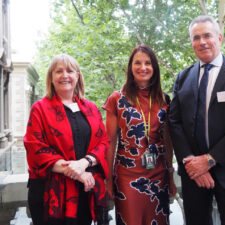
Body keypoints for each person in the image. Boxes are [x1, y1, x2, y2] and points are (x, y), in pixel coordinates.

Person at [168, 15, 225, 225]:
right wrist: (192, 163)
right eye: (196, 37)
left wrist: (208, 160)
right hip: (194, 176)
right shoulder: (183, 78)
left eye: (207, 35)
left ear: (219, 38)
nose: (202, 42)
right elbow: (175, 122)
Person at [23, 54, 109, 225]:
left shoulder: (90, 108)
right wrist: (76, 172)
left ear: (77, 76)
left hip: (85, 189)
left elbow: (103, 142)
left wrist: (84, 163)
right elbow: (35, 148)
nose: (65, 75)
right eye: (59, 71)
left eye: (70, 71)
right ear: (51, 78)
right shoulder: (40, 108)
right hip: (49, 193)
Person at [103, 45, 177, 225]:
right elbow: (110, 142)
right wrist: (108, 180)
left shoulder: (164, 99)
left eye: (148, 63)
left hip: (158, 173)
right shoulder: (116, 99)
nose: (143, 67)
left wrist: (170, 175)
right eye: (137, 63)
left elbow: (168, 141)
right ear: (130, 67)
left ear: (154, 68)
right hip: (127, 175)